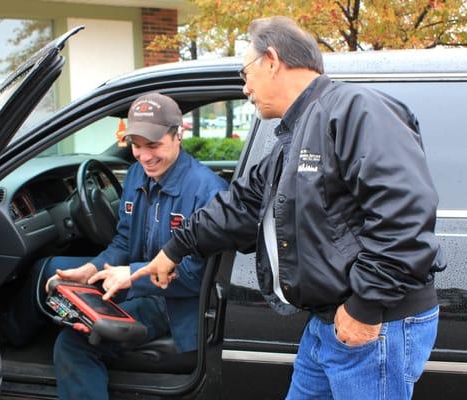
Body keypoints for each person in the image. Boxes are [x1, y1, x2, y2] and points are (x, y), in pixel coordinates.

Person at [130, 17, 446, 400]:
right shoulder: (291, 138)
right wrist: (175, 249)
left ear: (272, 60)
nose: (244, 86)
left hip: (374, 324)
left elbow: (405, 217)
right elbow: (241, 206)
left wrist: (365, 306)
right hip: (327, 321)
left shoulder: (354, 110)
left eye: (246, 72)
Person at [2, 92, 227, 400]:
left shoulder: (207, 192)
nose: (144, 156)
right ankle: (5, 340)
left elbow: (194, 277)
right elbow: (123, 240)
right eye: (136, 145)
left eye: (154, 145)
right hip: (131, 281)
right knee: (48, 269)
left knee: (72, 346)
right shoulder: (138, 174)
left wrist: (130, 274)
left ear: (179, 135)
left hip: (169, 302)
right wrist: (91, 269)